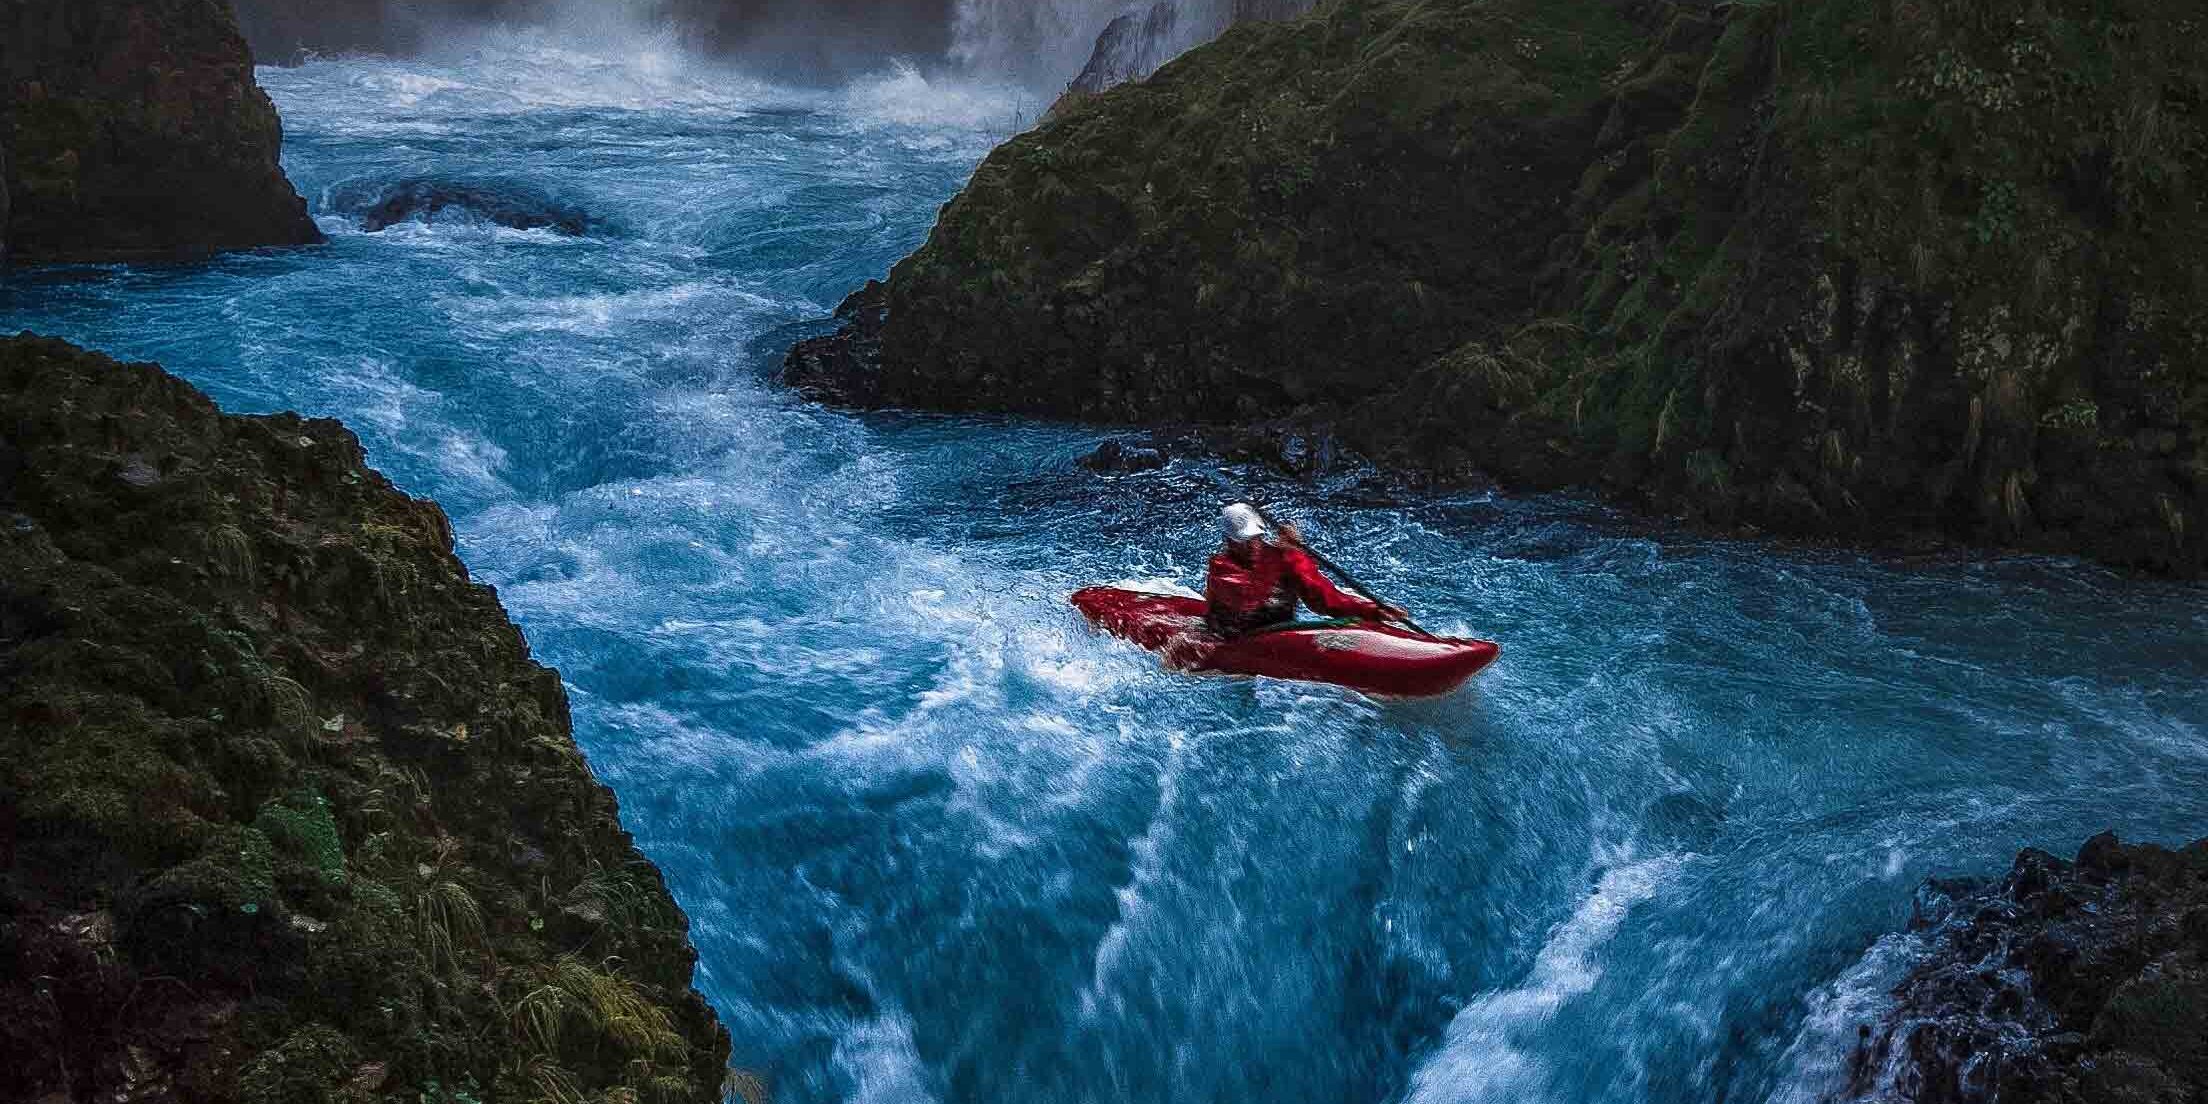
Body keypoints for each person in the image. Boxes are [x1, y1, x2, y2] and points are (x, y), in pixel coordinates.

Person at [1204, 502, 1407, 636]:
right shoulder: (1221, 568)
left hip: (1281, 635)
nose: (1252, 545)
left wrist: (1372, 610)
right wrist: (1290, 553)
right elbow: (1248, 601)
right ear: (1229, 541)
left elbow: (1324, 598)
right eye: (1243, 540)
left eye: (1255, 538)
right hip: (1235, 637)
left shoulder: (1280, 557)